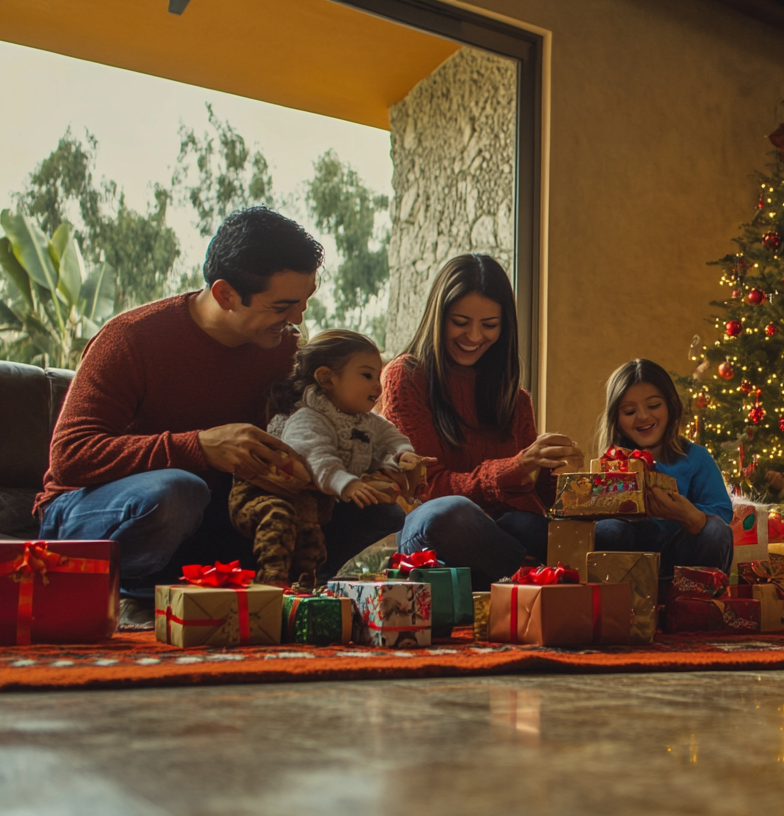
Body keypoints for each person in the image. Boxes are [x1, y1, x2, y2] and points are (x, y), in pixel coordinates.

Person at [35, 207, 401, 624]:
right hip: (96, 519)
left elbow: (320, 434)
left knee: (375, 506)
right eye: (283, 305)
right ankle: (134, 598)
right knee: (178, 490)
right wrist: (200, 446)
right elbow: (70, 457)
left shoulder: (286, 351)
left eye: (304, 301)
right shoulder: (131, 339)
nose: (298, 318)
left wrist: (374, 467)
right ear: (226, 294)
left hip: (220, 514)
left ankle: (278, 590)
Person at [379, 253, 580, 588]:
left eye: (489, 325)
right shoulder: (406, 376)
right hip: (439, 533)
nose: (473, 336)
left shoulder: (515, 398)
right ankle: (534, 580)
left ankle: (525, 580)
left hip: (506, 532)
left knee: (596, 530)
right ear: (438, 316)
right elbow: (426, 487)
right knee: (451, 515)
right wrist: (514, 467)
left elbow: (543, 496)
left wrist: (589, 487)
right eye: (460, 321)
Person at [229, 330, 434, 586]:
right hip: (270, 497)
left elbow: (391, 439)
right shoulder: (307, 418)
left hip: (316, 503)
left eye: (378, 376)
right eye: (367, 375)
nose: (377, 386)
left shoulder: (367, 420)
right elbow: (317, 458)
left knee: (377, 517)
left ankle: (314, 581)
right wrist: (348, 484)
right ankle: (270, 585)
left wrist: (403, 456)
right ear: (327, 379)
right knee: (280, 525)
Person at [591, 359, 734, 575]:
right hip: (630, 557)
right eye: (629, 411)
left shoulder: (696, 457)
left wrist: (689, 514)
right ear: (616, 419)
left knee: (715, 530)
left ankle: (695, 602)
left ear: (670, 405)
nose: (643, 416)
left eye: (654, 406)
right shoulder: (613, 462)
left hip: (683, 553)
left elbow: (722, 512)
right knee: (608, 529)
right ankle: (617, 601)